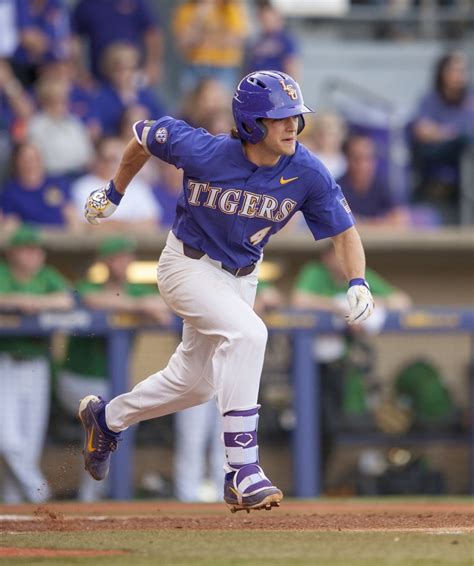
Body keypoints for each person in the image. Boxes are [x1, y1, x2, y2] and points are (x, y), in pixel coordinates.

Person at [78, 70, 375, 512]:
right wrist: (114, 192)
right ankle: (241, 469)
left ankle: (107, 419)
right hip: (186, 265)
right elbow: (143, 137)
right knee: (251, 335)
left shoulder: (307, 170)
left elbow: (344, 231)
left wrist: (357, 280)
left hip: (242, 278)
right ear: (253, 123)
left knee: (195, 385)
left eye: (295, 115)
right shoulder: (203, 148)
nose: (293, 125)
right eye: (280, 117)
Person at [56, 235, 171, 501]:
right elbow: (85, 299)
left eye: (127, 257)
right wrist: (136, 307)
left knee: (116, 424)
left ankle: (102, 492)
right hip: (78, 378)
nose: (124, 262)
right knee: (105, 421)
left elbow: (161, 304)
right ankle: (93, 493)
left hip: (113, 381)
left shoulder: (138, 290)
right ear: (105, 262)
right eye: (118, 257)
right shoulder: (89, 286)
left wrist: (143, 305)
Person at [292, 245, 412, 484]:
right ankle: (306, 484)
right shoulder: (316, 272)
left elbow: (403, 301)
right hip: (307, 367)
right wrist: (337, 305)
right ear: (327, 257)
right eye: (337, 256)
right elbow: (299, 301)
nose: (341, 261)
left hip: (339, 366)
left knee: (331, 427)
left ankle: (317, 484)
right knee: (309, 426)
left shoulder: (358, 277)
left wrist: (364, 302)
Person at [0, 225, 73, 503]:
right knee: (7, 438)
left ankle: (12, 504)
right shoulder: (3, 273)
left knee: (29, 442)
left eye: (37, 249)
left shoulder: (47, 276)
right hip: (5, 363)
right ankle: (38, 491)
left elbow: (68, 299)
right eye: (27, 249)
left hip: (37, 364)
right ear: (12, 253)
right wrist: (22, 301)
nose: (34, 255)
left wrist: (34, 303)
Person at [410, 50, 474, 224]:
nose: (459, 75)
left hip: (465, 181)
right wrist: (450, 134)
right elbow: (421, 130)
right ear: (442, 72)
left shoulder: (470, 102)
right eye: (454, 70)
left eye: (463, 70)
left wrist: (443, 132)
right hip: (435, 173)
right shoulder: (431, 100)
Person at [70, 136, 161, 233]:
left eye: (114, 159)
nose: (110, 164)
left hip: (135, 245)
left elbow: (151, 224)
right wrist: (126, 226)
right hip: (94, 245)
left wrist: (115, 226)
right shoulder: (82, 186)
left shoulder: (138, 187)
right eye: (105, 158)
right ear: (97, 158)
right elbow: (81, 226)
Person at [71, 0, 163, 85]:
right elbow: (75, 40)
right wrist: (80, 71)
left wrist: (153, 64)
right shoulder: (86, 5)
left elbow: (152, 33)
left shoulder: (137, 2)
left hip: (132, 76)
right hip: (99, 80)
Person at [0, 142, 79, 232]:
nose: (32, 164)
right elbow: (10, 225)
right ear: (17, 163)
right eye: (26, 160)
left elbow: (73, 218)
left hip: (63, 241)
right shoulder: (11, 191)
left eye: (35, 159)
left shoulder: (58, 184)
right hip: (31, 242)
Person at [172, 0, 248, 93]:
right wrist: (199, 18)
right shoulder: (188, 8)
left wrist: (201, 39)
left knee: (224, 105)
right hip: (195, 67)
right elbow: (183, 43)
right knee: (191, 104)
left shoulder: (229, 6)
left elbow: (237, 39)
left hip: (224, 67)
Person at [337, 135, 410, 228]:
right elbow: (341, 222)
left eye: (368, 158)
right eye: (356, 158)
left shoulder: (382, 184)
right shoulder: (336, 189)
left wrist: (364, 223)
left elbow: (401, 218)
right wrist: (382, 223)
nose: (362, 165)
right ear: (346, 159)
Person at [94, 42, 166, 136]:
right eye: (121, 70)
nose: (127, 74)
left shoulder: (144, 94)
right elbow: (101, 127)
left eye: (131, 69)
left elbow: (162, 118)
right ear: (110, 71)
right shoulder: (103, 96)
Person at [28, 76, 94, 178]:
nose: (60, 105)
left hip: (80, 174)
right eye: (55, 101)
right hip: (52, 177)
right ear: (45, 102)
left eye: (63, 100)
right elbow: (40, 162)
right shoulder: (36, 125)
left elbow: (87, 154)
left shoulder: (74, 122)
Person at [245, 0, 300, 78]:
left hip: (276, 85)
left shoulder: (286, 40)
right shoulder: (257, 41)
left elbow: (292, 67)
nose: (265, 22)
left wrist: (289, 87)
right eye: (263, 19)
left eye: (267, 19)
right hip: (257, 84)